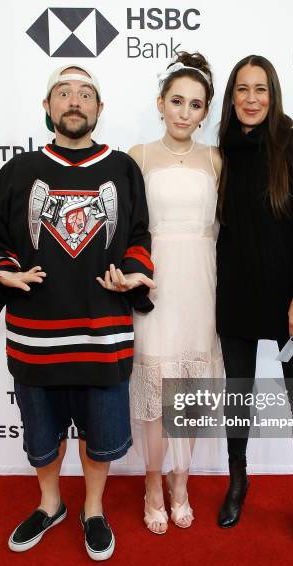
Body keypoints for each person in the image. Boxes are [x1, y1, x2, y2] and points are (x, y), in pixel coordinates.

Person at [0, 65, 154, 561]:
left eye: (85, 93)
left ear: (100, 109)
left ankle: (92, 508)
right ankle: (50, 503)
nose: (74, 100)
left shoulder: (123, 169)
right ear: (47, 107)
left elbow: (139, 236)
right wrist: (2, 270)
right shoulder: (17, 172)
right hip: (36, 333)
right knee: (42, 434)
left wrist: (133, 273)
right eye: (63, 92)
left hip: (104, 333)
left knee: (100, 437)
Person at [103, 52, 223, 534]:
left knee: (189, 392)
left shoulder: (217, 159)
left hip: (202, 280)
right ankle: (153, 481)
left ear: (205, 112)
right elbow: (124, 227)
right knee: (155, 389)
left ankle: (181, 481)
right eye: (176, 101)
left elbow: (227, 228)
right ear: (160, 103)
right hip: (155, 281)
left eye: (195, 105)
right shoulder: (139, 155)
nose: (184, 112)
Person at [215, 55, 293, 550]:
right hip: (238, 292)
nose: (251, 98)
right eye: (242, 89)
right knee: (237, 394)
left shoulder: (292, 141)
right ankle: (238, 481)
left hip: (292, 297)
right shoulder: (224, 146)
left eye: (260, 89)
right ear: (231, 95)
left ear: (273, 93)